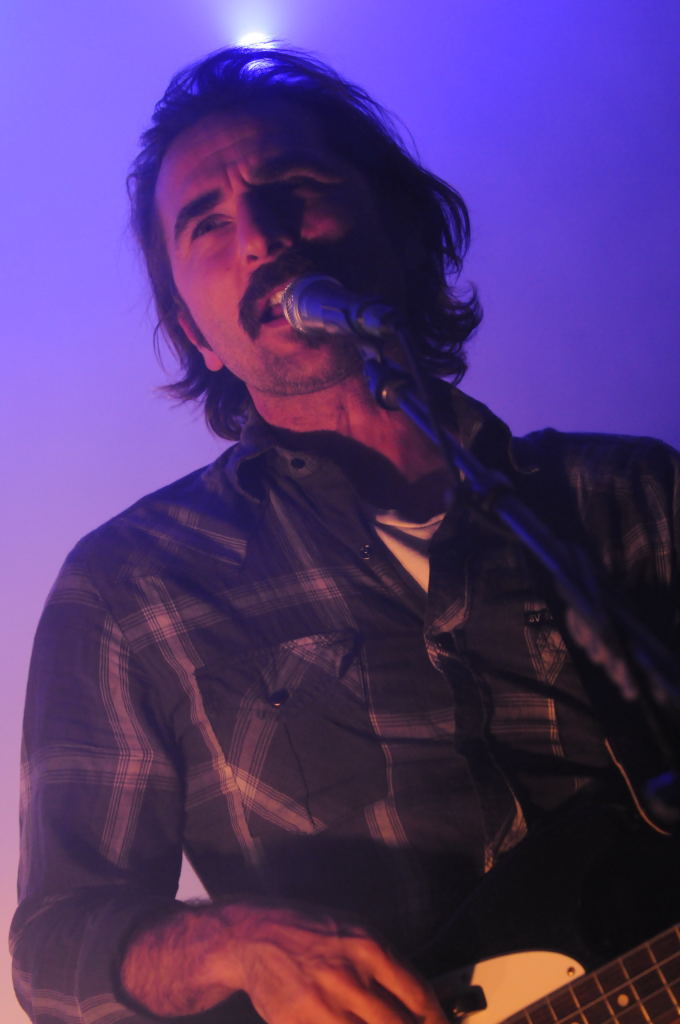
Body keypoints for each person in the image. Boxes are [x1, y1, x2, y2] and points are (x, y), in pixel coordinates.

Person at [11, 46, 679, 1024]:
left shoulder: (633, 495)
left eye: (295, 185)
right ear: (195, 333)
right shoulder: (131, 587)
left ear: (402, 225)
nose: (261, 237)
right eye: (207, 223)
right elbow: (54, 951)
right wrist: (232, 942)